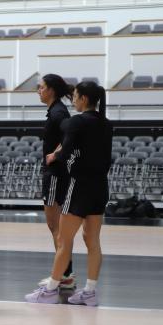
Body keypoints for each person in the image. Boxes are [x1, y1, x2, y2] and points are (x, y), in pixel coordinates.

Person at [25, 81, 113, 306]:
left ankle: (51, 289)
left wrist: (56, 156)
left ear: (83, 99)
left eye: (75, 96)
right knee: (92, 241)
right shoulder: (106, 123)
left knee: (64, 241)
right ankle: (90, 292)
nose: (72, 99)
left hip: (80, 186)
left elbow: (68, 153)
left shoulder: (77, 121)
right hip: (100, 186)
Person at [36, 75, 75, 289]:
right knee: (57, 227)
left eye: (41, 87)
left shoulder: (58, 111)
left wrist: (56, 154)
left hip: (55, 174)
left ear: (50, 90)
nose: (38, 91)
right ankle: (65, 273)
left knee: (55, 227)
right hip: (58, 174)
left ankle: (63, 275)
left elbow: (72, 133)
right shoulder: (56, 110)